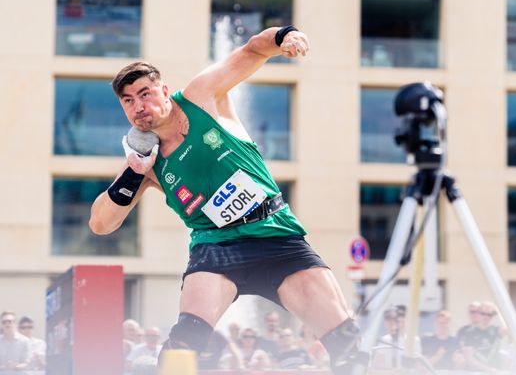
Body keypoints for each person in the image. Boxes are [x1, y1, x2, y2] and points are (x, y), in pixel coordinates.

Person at [88, 25, 367, 375]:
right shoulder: (146, 163)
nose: (138, 106)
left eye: (144, 94)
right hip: (216, 249)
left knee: (347, 344)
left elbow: (252, 50)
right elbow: (100, 223)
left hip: (275, 235)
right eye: (128, 101)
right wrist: (133, 173)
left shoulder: (201, 96)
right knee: (185, 344)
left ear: (163, 90)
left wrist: (284, 37)